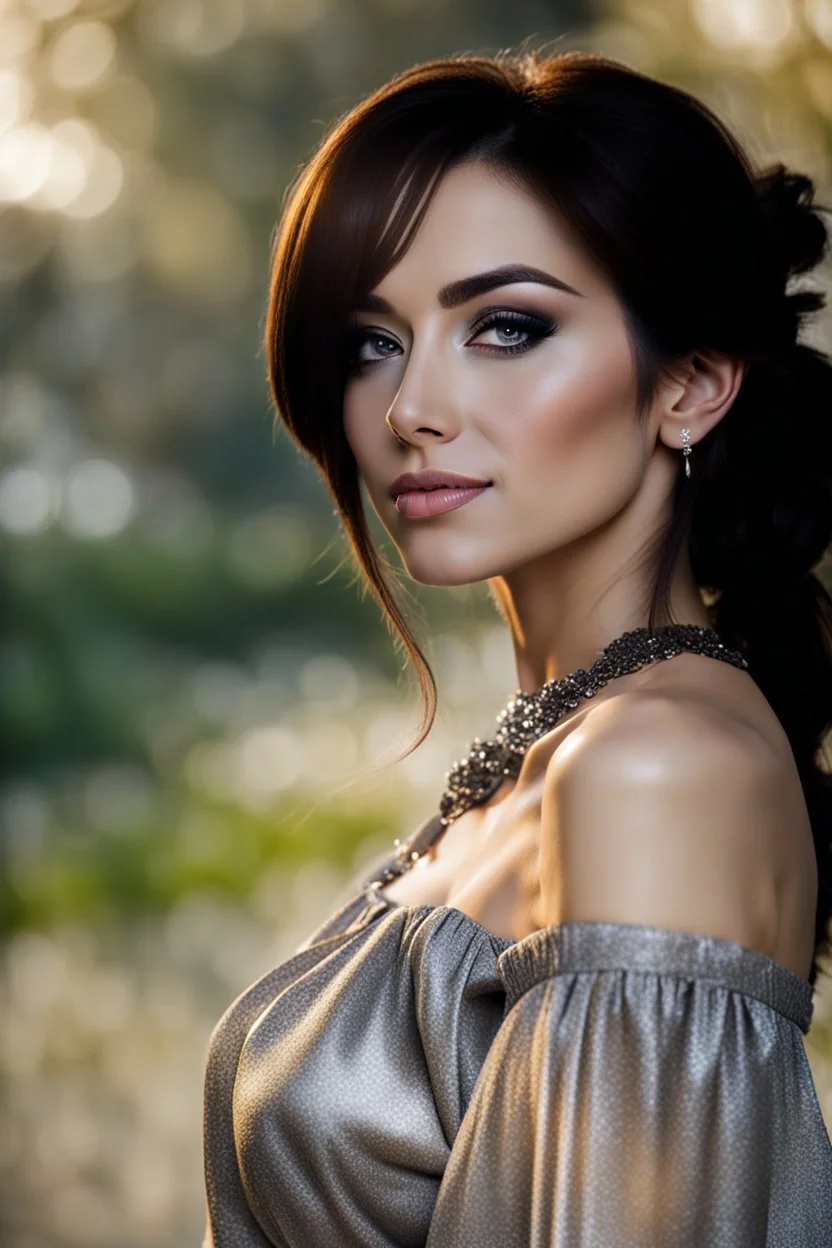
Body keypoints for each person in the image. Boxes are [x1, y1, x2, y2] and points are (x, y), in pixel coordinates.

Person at [202, 48, 832, 1246]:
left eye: (503, 326)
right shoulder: (561, 747)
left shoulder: (658, 769)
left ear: (690, 386)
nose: (407, 411)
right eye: (370, 342)